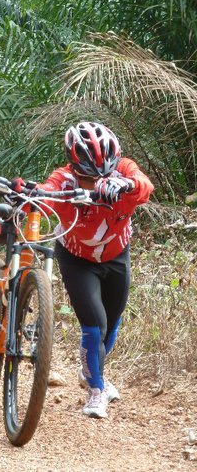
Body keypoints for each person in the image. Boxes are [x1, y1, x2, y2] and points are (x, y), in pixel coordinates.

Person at [29, 121, 153, 419]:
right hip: (76, 258)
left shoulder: (124, 171)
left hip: (117, 255)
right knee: (94, 324)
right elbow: (46, 192)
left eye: (104, 175)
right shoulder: (64, 179)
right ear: (75, 168)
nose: (96, 182)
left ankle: (90, 372)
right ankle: (96, 390)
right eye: (88, 177)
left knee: (112, 321)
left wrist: (125, 184)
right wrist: (30, 194)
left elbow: (144, 185)